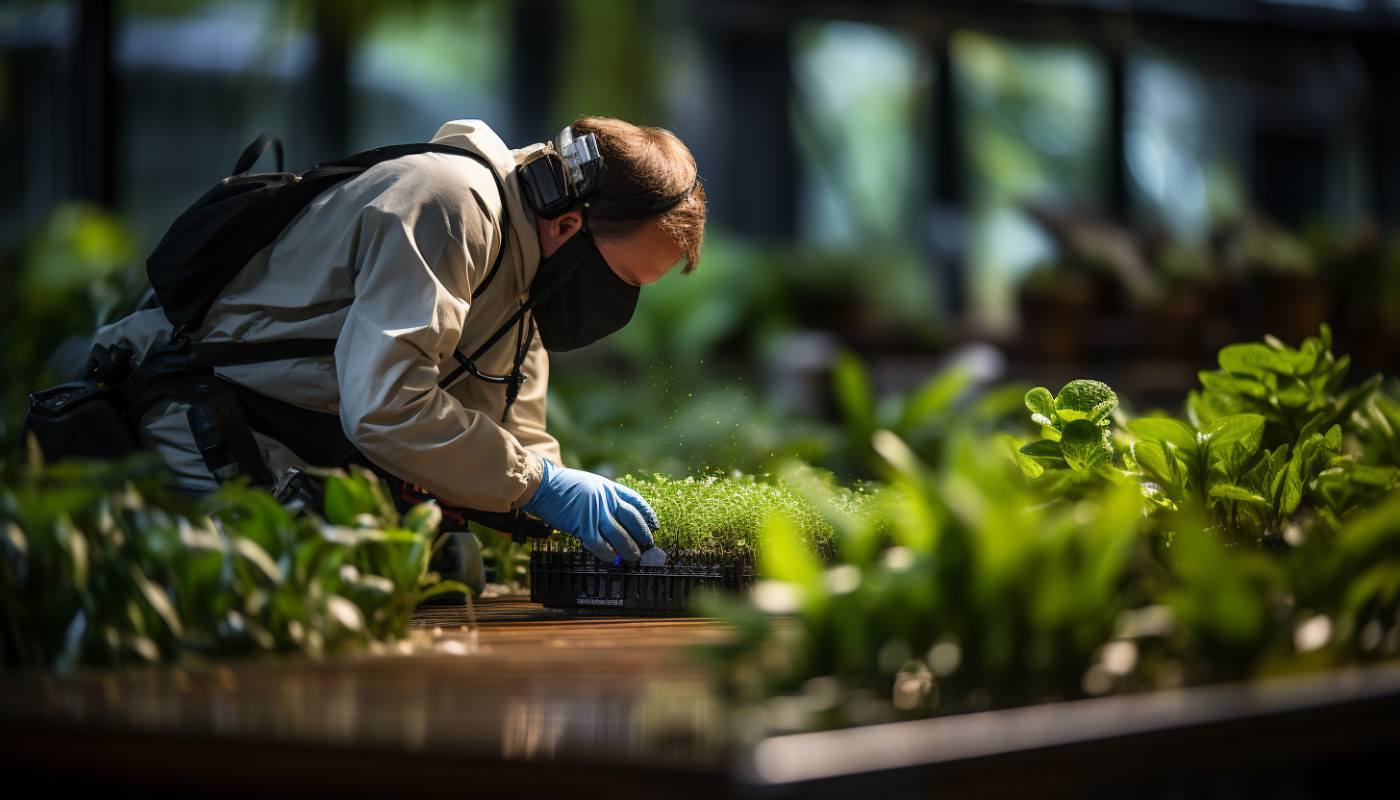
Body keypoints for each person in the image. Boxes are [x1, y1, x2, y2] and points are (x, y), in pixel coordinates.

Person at [88, 116, 707, 584]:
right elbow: (386, 407)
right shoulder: (448, 205)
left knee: (451, 569)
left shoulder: (530, 275)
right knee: (308, 596)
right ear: (569, 226)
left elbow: (510, 429)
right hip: (208, 418)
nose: (620, 307)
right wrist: (540, 485)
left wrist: (563, 506)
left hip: (307, 440)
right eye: (625, 283)